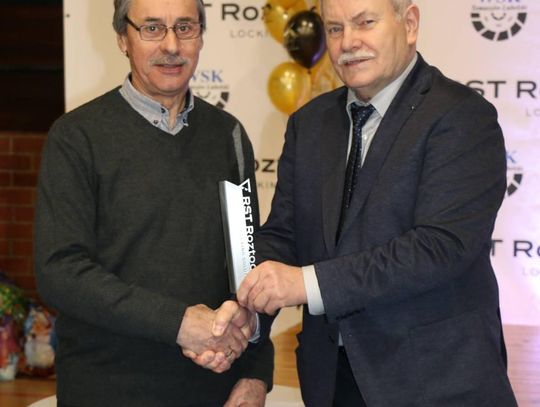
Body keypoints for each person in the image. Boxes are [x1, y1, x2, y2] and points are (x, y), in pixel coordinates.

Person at [236, 0, 518, 406]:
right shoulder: (309, 123)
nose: (348, 42)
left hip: (436, 384)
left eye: (365, 22)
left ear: (410, 24)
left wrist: (307, 283)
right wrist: (247, 310)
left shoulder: (462, 116)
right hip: (331, 382)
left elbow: (439, 247)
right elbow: (283, 235)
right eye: (335, 29)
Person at [33, 0, 273, 406]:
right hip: (108, 391)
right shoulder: (76, 138)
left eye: (185, 27)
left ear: (200, 36)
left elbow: (246, 266)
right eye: (152, 28)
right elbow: (59, 272)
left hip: (213, 390)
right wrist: (178, 323)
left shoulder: (228, 135)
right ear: (122, 38)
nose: (171, 46)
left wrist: (255, 373)